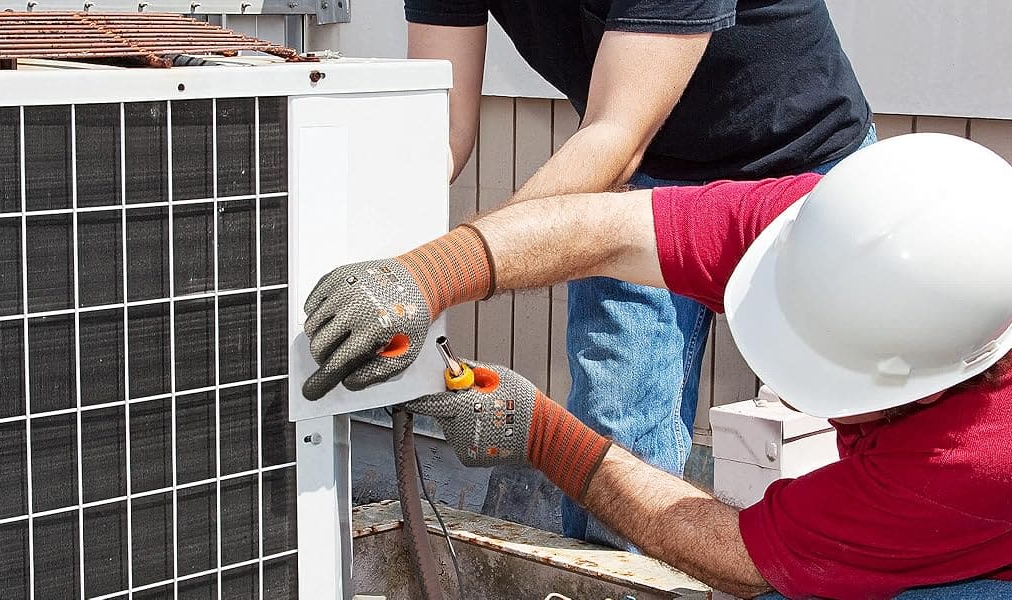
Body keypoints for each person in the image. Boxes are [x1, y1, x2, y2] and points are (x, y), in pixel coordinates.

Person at [299, 133, 1012, 598]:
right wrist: (426, 274)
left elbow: (738, 553)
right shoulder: (833, 226)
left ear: (929, 381)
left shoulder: (997, 456)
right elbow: (605, 229)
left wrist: (542, 434)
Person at [358, 0, 878, 545]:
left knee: (886, 422)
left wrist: (442, 271)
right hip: (646, 175)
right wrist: (380, 255)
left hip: (801, 168)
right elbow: (445, 125)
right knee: (617, 439)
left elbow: (615, 133)